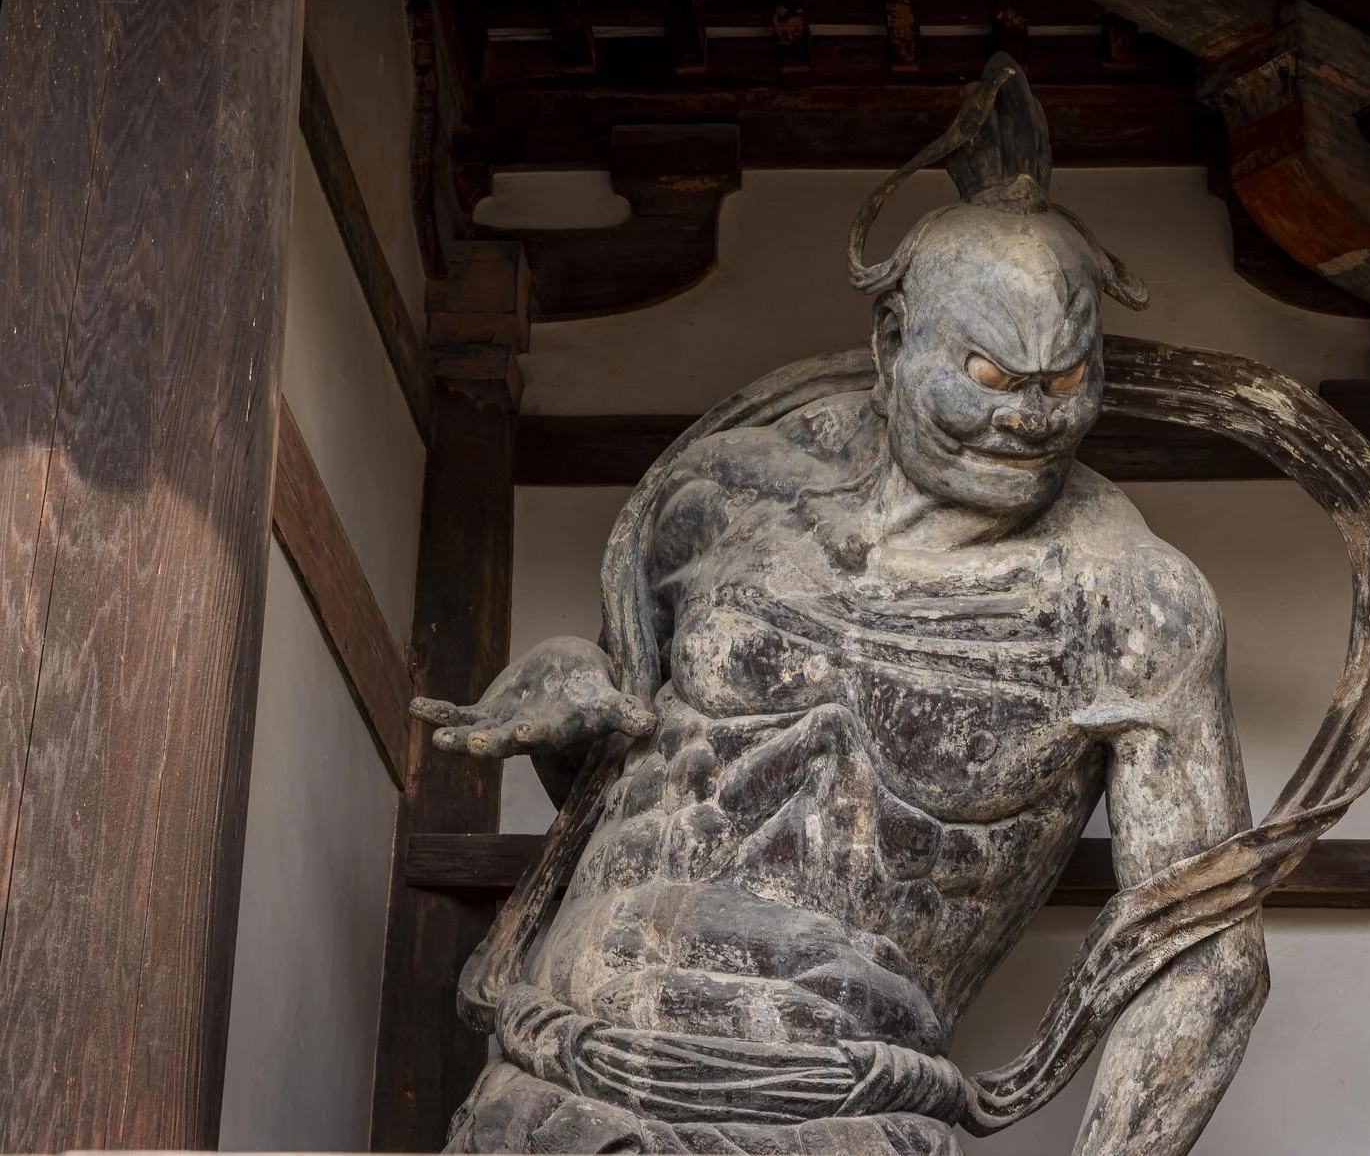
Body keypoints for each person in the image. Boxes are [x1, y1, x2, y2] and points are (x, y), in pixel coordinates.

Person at [416, 57, 1269, 1155]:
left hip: (840, 1118)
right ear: (891, 341)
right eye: (988, 375)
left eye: (1065, 382)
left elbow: (1204, 953)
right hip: (549, 1081)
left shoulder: (1130, 607)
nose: (1029, 421)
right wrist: (566, 685)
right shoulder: (722, 497)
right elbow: (641, 761)